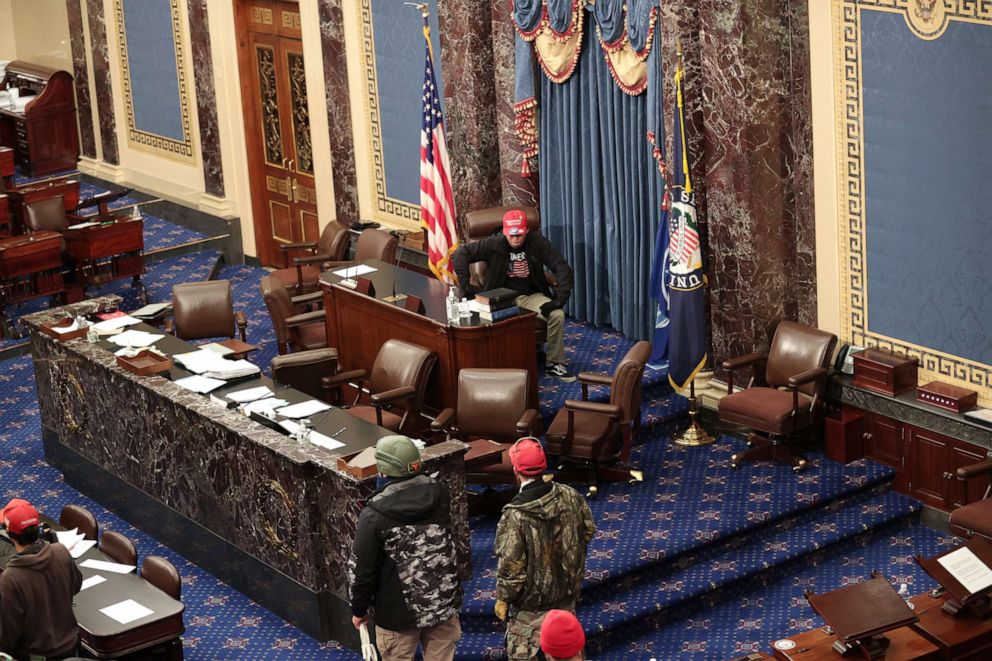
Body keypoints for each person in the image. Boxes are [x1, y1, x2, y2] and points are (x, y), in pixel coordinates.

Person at [350, 435, 462, 660]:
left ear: (382, 470)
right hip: (441, 606)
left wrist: (358, 610)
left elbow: (363, 571)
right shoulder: (442, 494)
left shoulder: (373, 515)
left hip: (397, 616)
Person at [494, 438, 596, 660]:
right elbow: (588, 531)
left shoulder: (515, 516)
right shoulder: (570, 495)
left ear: (515, 470)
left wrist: (503, 598)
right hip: (565, 603)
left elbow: (511, 571)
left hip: (529, 616)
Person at [452, 209, 576, 382]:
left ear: (526, 231)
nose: (516, 238)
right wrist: (467, 286)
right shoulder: (494, 244)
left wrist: (559, 299)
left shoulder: (537, 242)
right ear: (504, 232)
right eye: (511, 235)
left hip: (530, 296)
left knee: (557, 314)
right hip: (500, 297)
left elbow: (561, 267)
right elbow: (460, 254)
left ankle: (555, 364)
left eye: (519, 235)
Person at [0, 500, 82, 661]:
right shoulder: (60, 550)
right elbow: (76, 586)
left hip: (36, 656)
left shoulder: (10, 578)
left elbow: (7, 637)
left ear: (8, 532)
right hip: (71, 647)